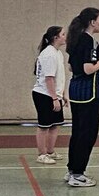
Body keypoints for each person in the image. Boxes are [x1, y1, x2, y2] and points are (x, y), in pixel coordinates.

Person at [65, 7, 99, 188]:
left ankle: (72, 170)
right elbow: (88, 69)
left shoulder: (75, 39)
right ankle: (78, 174)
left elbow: (72, 68)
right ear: (92, 22)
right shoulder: (89, 41)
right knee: (88, 134)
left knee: (77, 132)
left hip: (75, 90)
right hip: (89, 93)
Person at [32, 25, 69, 165]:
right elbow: (49, 79)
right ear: (55, 37)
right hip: (44, 95)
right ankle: (41, 154)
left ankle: (50, 151)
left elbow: (59, 77)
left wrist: (63, 95)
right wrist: (54, 98)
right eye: (63, 34)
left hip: (55, 94)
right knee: (44, 126)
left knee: (55, 125)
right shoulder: (49, 54)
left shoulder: (58, 53)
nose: (65, 37)